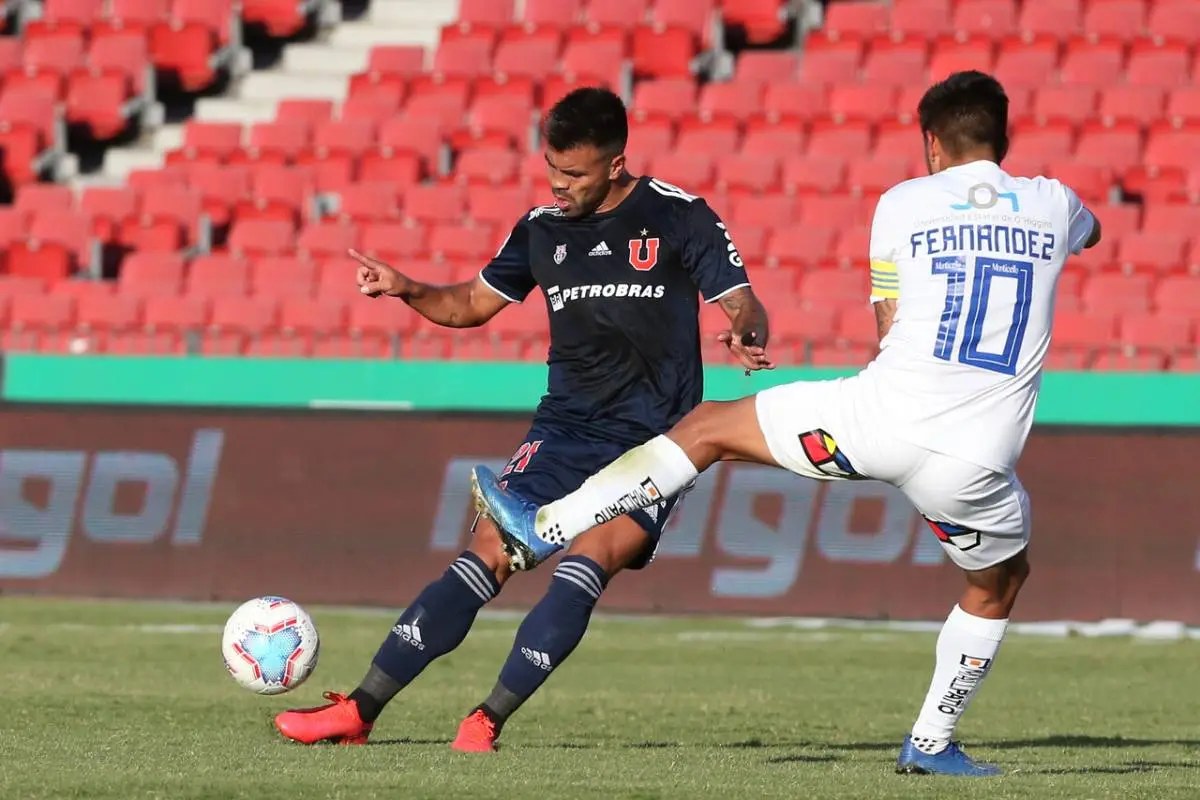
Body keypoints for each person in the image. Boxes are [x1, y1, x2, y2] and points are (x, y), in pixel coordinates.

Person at [471, 71, 1103, 777]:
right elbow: (1089, 230)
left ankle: (546, 526)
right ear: (1003, 137)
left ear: (930, 143)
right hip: (973, 463)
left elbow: (887, 319)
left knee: (708, 427)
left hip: (877, 420)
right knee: (999, 582)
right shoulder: (1056, 203)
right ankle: (930, 741)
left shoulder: (903, 203)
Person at [273, 87, 771, 751]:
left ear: (615, 165)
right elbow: (470, 306)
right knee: (485, 553)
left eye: (575, 174)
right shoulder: (541, 228)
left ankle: (485, 721)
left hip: (657, 442)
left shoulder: (679, 217)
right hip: (562, 429)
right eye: (552, 170)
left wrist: (743, 329)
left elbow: (742, 300)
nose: (559, 186)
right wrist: (409, 288)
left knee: (587, 561)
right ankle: (359, 710)